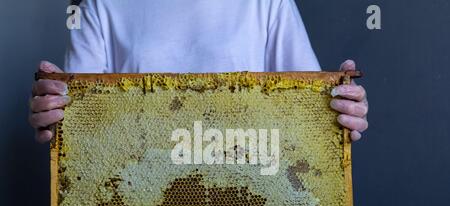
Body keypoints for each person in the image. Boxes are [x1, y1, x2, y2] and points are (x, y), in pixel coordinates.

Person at [29, 0, 368, 143]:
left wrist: (341, 113)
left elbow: (309, 119)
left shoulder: (268, 3)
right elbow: (80, 129)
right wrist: (54, 112)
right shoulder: (99, 6)